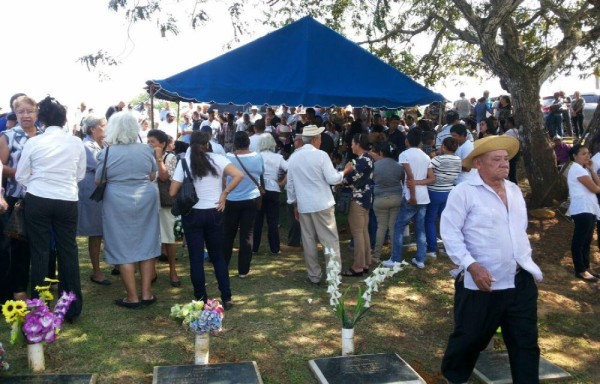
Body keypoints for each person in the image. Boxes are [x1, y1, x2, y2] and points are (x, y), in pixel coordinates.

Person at [440, 135, 543, 384]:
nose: (504, 164)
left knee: (525, 341)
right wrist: (471, 265)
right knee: (469, 338)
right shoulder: (464, 192)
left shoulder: (515, 190)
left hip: (519, 280)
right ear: (479, 164)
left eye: (506, 159)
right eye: (496, 159)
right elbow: (450, 232)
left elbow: (518, 230)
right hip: (482, 283)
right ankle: (454, 378)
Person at [16, 96, 86, 321]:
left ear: (41, 119)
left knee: (40, 252)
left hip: (39, 198)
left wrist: (38, 180)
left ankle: (39, 306)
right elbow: (80, 174)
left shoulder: (34, 142)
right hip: (67, 198)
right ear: (64, 119)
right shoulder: (75, 142)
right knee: (68, 251)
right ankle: (71, 308)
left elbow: (20, 175)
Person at [170, 131, 242, 308]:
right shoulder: (218, 159)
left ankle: (200, 299)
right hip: (215, 210)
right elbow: (238, 175)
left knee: (196, 259)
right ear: (208, 144)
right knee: (218, 257)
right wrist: (224, 194)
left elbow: (172, 192)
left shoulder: (185, 162)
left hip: (192, 213)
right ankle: (227, 297)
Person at [96, 111, 161, 309]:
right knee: (148, 240)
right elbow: (152, 175)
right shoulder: (146, 149)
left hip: (117, 199)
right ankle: (147, 293)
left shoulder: (106, 153)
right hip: (145, 196)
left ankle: (132, 296)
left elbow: (98, 180)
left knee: (121, 244)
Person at [287, 125, 344, 285]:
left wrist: (294, 203)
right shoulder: (321, 155)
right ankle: (333, 276)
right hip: (322, 202)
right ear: (315, 139)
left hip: (304, 204)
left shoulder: (294, 157)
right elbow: (333, 179)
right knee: (330, 240)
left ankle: (314, 275)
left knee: (308, 240)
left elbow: (290, 185)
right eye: (319, 138)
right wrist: (344, 173)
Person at [0, 95, 43, 300]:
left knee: (42, 244)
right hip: (16, 199)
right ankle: (18, 290)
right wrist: (21, 172)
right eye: (21, 112)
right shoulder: (7, 136)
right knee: (17, 247)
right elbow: (0, 167)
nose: (26, 115)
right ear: (15, 114)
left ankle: (41, 286)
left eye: (30, 111)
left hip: (43, 198)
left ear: (36, 112)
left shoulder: (45, 136)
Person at [382, 129, 434, 269]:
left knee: (398, 227)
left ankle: (396, 259)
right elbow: (431, 179)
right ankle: (420, 259)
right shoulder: (426, 156)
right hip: (424, 197)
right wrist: (418, 184)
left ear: (407, 141)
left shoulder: (404, 155)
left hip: (412, 197)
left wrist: (413, 196)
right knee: (420, 228)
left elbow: (409, 178)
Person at [224, 131, 264, 277]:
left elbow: (223, 177)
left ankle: (224, 265)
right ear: (248, 142)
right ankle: (243, 270)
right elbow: (260, 174)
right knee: (247, 235)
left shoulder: (227, 158)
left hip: (232, 199)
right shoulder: (257, 157)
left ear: (234, 143)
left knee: (228, 234)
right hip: (251, 199)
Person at [78, 115, 110, 285]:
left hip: (105, 190)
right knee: (96, 232)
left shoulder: (104, 144)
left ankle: (118, 265)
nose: (107, 128)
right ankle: (96, 271)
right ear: (93, 129)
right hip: (92, 190)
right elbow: (101, 167)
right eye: (104, 125)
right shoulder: (86, 146)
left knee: (107, 230)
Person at [147, 129, 180, 287]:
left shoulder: (171, 157)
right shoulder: (145, 157)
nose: (149, 144)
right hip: (149, 202)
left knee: (169, 238)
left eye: (152, 141)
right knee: (151, 237)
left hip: (165, 202)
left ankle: (173, 270)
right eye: (148, 141)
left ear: (163, 144)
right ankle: (151, 270)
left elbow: (165, 176)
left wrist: (159, 159)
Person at [341, 133, 374, 276]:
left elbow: (348, 179)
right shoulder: (369, 158)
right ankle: (366, 262)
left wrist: (344, 172)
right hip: (366, 199)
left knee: (357, 233)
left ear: (358, 144)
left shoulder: (360, 162)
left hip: (357, 199)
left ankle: (358, 266)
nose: (351, 146)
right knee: (363, 231)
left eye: (353, 143)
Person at [566, 144, 600, 282]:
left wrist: (592, 170)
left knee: (587, 240)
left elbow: (598, 185)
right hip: (582, 209)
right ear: (575, 156)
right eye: (583, 154)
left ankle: (586, 267)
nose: (587, 156)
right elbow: (596, 189)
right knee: (580, 240)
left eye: (588, 153)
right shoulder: (577, 170)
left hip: (589, 208)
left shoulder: (583, 169)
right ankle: (580, 269)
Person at [424, 137, 461, 259]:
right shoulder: (458, 160)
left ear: (444, 147)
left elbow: (427, 168)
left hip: (435, 191)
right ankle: (447, 247)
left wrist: (433, 155)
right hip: (449, 191)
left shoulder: (437, 159)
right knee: (445, 221)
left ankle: (432, 249)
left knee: (430, 220)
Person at [253, 133, 288, 255]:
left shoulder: (256, 156)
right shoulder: (277, 157)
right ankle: (275, 248)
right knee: (273, 220)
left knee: (257, 220)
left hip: (259, 189)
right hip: (273, 188)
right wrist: (282, 182)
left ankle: (255, 247)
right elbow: (290, 169)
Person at [371, 141, 403, 263]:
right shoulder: (399, 166)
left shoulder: (376, 165)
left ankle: (376, 255)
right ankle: (394, 255)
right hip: (396, 197)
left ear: (381, 152)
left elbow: (373, 178)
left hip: (380, 198)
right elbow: (401, 178)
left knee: (381, 227)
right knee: (393, 227)